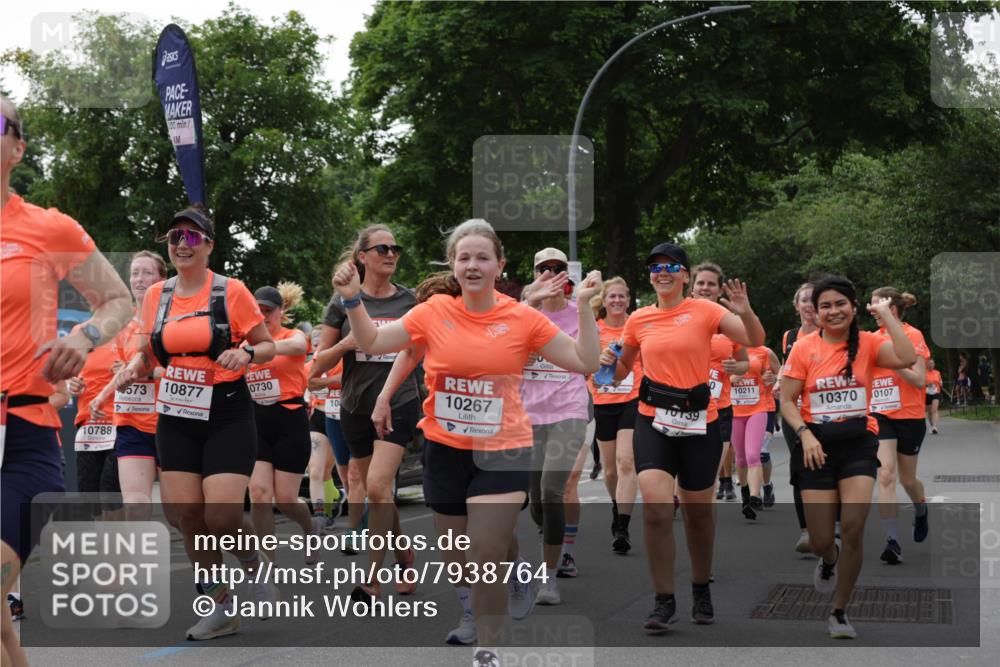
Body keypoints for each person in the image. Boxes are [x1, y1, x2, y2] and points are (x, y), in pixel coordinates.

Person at [332, 219, 601, 658]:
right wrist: (352, 300)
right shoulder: (433, 312)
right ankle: (477, 605)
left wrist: (586, 307)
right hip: (445, 448)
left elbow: (584, 359)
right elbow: (375, 342)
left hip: (503, 451)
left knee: (485, 555)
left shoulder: (522, 317)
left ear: (499, 265)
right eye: (464, 258)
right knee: (457, 556)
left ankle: (489, 650)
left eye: (482, 257)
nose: (472, 265)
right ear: (453, 266)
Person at [1, 95, 133, 666]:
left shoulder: (47, 228)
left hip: (24, 431)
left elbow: (118, 300)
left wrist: (84, 338)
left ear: (17, 147)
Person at [115, 205, 277, 641]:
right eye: (173, 238)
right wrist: (136, 363)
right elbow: (149, 349)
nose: (180, 245)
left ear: (209, 245)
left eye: (190, 237)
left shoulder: (231, 291)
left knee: (221, 514)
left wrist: (245, 354)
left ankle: (254, 567)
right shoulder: (157, 296)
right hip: (176, 413)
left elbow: (267, 346)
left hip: (226, 410)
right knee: (185, 513)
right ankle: (219, 605)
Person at [603, 242, 764, 633]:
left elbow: (755, 340)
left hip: (699, 423)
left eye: (671, 266)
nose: (663, 272)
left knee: (697, 514)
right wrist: (610, 363)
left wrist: (743, 310)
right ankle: (663, 600)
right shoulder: (638, 319)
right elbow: (622, 372)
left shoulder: (706, 311)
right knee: (657, 508)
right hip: (652, 420)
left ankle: (700, 587)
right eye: (656, 267)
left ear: (685, 276)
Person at [780, 276, 916, 639]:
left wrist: (887, 317)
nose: (833, 311)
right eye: (825, 305)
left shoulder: (869, 344)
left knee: (853, 528)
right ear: (816, 312)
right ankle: (829, 559)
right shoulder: (804, 348)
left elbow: (907, 356)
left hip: (858, 442)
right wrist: (804, 434)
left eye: (840, 303)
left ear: (853, 308)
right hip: (816, 446)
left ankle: (839, 611)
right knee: (823, 540)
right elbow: (787, 400)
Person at [317, 224, 421, 601]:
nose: (391, 254)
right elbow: (316, 366)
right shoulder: (342, 300)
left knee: (377, 487)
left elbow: (418, 354)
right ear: (363, 257)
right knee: (379, 494)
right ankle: (404, 555)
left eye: (396, 247)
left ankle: (372, 580)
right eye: (382, 249)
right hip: (354, 406)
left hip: (400, 403)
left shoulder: (410, 302)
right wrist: (349, 341)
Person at [517, 248, 592, 605]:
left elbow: (590, 359)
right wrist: (531, 305)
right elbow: (505, 351)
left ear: (568, 275)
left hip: (569, 410)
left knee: (551, 489)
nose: (550, 274)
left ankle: (548, 576)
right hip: (529, 414)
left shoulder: (579, 311)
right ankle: (551, 536)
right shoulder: (521, 311)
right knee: (535, 501)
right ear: (534, 274)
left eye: (557, 268)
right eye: (543, 269)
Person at [89, 251, 169, 521]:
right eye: (135, 273)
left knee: (183, 514)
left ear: (162, 278)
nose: (139, 279)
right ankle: (141, 564)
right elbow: (125, 370)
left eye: (147, 272)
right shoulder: (123, 325)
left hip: (172, 423)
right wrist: (101, 396)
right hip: (131, 423)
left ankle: (241, 553)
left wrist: (149, 374)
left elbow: (188, 373)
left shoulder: (175, 320)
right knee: (135, 504)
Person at [246, 283, 317, 568]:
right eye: (257, 311)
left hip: (289, 419)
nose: (262, 316)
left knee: (286, 499)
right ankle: (268, 565)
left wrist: (257, 350)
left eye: (268, 311)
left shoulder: (292, 336)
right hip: (254, 421)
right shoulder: (243, 340)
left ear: (281, 311)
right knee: (259, 494)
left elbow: (300, 346)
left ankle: (310, 530)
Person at [869, 288, 931, 565]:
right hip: (880, 415)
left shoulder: (913, 335)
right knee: (885, 475)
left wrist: (895, 364)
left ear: (891, 309)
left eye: (875, 304)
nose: (870, 309)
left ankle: (920, 508)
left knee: (908, 480)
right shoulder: (870, 339)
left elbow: (919, 380)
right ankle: (892, 541)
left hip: (910, 415)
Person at [588, 277, 642, 554]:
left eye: (622, 296)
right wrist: (596, 371)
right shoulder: (593, 331)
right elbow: (585, 366)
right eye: (613, 297)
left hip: (632, 401)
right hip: (603, 403)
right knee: (609, 470)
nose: (617, 301)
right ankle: (616, 505)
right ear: (605, 300)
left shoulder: (637, 326)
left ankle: (623, 525)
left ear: (628, 299)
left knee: (626, 462)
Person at [690, 263, 749, 506]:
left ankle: (704, 511)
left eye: (710, 284)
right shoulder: (681, 317)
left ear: (719, 289)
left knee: (710, 469)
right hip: (685, 406)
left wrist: (737, 368)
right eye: (700, 283)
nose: (705, 288)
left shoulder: (730, 323)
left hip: (720, 407)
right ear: (691, 287)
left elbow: (744, 361)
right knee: (687, 465)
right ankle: (677, 499)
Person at [780, 282, 819, 554]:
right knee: (799, 468)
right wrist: (778, 380)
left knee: (826, 466)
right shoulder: (789, 336)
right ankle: (806, 530)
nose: (808, 305)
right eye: (804, 300)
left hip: (822, 412)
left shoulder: (831, 334)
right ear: (797, 306)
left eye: (813, 301)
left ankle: (832, 524)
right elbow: (787, 368)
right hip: (794, 411)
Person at [730, 345, 781, 520]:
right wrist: (730, 379)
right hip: (734, 411)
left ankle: (754, 496)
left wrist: (772, 378)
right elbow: (713, 376)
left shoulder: (764, 351)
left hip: (758, 408)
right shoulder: (726, 349)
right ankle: (745, 493)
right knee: (741, 458)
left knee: (754, 454)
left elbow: (781, 374)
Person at [925, 358, 942, 434]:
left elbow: (940, 381)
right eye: (930, 363)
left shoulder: (937, 372)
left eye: (933, 363)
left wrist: (941, 383)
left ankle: (935, 426)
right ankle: (932, 425)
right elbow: (920, 382)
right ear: (927, 364)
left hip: (936, 392)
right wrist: (927, 385)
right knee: (929, 411)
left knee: (934, 410)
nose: (932, 365)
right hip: (926, 393)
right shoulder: (924, 372)